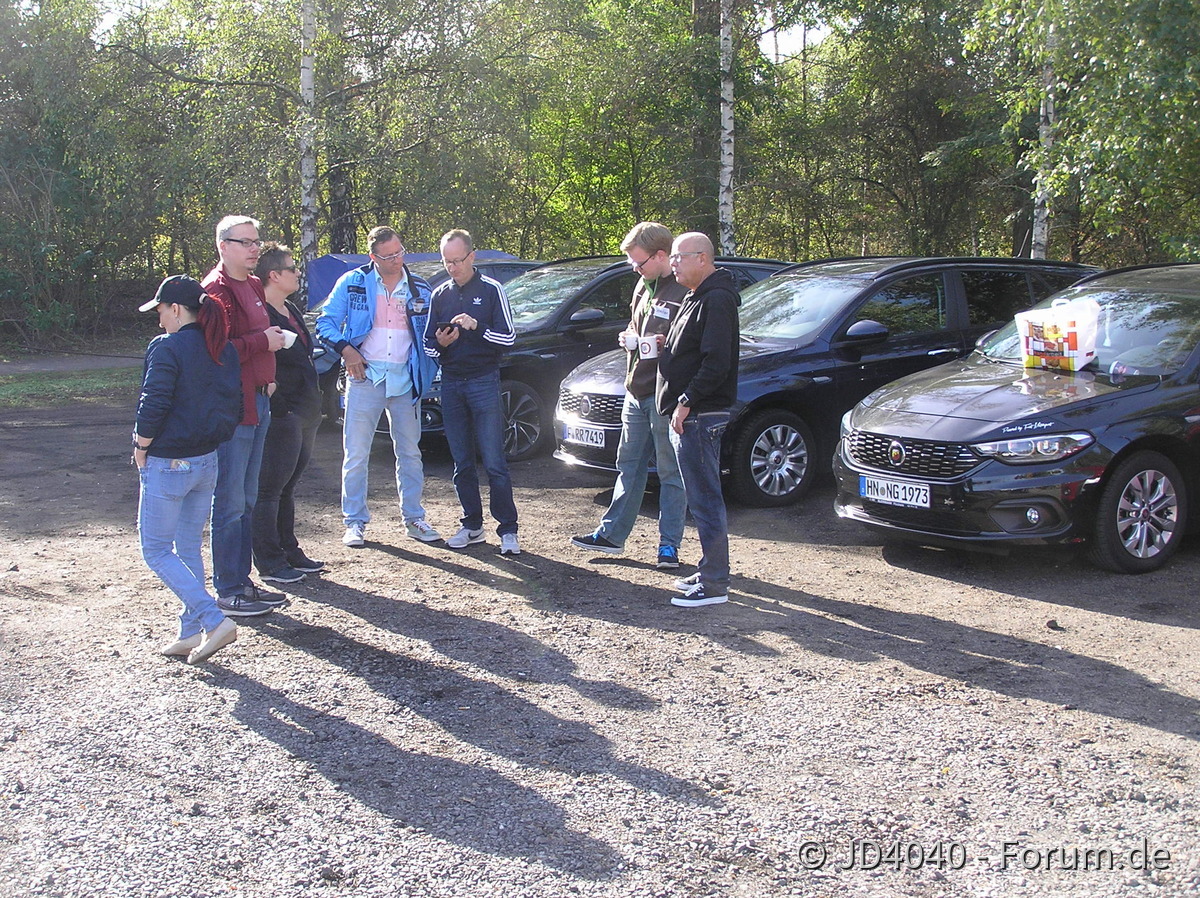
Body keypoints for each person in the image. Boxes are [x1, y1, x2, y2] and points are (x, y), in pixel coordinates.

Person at [134, 275, 245, 663]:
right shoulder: (222, 348)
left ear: (176, 309)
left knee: (156, 550)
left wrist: (140, 444)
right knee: (186, 547)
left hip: (170, 462)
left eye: (161, 310)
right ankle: (189, 630)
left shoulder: (166, 346)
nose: (159, 318)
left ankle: (213, 620)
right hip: (206, 459)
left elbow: (155, 400)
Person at [314, 226, 441, 548]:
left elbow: (431, 335)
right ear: (373, 257)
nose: (398, 259)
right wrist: (346, 350)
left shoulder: (420, 288)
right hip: (364, 378)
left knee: (410, 453)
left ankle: (414, 518)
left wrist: (440, 345)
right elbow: (325, 322)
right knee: (356, 454)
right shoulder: (352, 282)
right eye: (389, 256)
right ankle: (354, 522)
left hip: (405, 381)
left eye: (400, 252)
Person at [570, 222, 688, 569]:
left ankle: (669, 546)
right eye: (633, 264)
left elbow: (689, 343)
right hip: (635, 390)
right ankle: (611, 534)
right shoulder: (642, 284)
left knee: (670, 471)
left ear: (662, 255)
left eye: (641, 263)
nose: (636, 269)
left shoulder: (683, 289)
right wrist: (629, 337)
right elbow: (637, 326)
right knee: (629, 466)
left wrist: (662, 345)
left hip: (664, 394)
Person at [202, 215, 287, 616]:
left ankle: (243, 583)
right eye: (245, 242)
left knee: (248, 498)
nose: (255, 249)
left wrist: (267, 378)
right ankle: (229, 589)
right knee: (231, 501)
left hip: (259, 402)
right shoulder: (214, 291)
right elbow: (216, 353)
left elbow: (258, 347)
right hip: (234, 410)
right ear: (223, 246)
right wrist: (262, 342)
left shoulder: (254, 285)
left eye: (256, 241)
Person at [424, 228, 520, 555]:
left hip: (484, 380)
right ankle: (472, 524)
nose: (452, 267)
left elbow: (509, 339)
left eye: (458, 261)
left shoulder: (493, 290)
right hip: (451, 382)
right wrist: (441, 343)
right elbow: (427, 346)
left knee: (494, 460)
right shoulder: (439, 295)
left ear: (472, 256)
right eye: (447, 262)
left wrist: (478, 328)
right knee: (461, 461)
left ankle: (508, 529)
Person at [657, 232, 739, 608]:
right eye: (672, 257)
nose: (672, 263)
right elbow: (691, 350)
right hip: (689, 413)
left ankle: (715, 585)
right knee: (699, 496)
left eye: (678, 256)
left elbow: (716, 361)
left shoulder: (717, 299)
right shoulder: (695, 297)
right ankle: (709, 570)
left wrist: (687, 401)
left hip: (700, 414)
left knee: (706, 499)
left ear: (702, 258)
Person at [250, 243, 325, 583]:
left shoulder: (291, 307)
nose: (297, 272)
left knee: (288, 486)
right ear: (274, 275)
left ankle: (288, 549)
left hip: (306, 410)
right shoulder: (261, 314)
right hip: (284, 413)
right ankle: (269, 561)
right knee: (270, 488)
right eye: (292, 268)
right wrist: (281, 408)